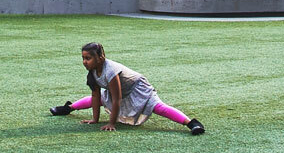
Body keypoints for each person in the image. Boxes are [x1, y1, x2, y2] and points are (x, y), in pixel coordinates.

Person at [48, 44, 205, 134]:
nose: (84, 62)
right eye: (83, 58)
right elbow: (95, 96)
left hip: (138, 89)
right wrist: (95, 120)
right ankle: (68, 108)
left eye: (88, 58)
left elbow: (117, 99)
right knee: (101, 98)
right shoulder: (93, 71)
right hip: (121, 91)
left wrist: (111, 123)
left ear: (100, 58)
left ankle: (191, 123)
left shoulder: (110, 71)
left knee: (158, 107)